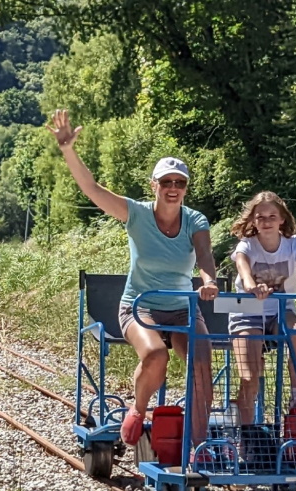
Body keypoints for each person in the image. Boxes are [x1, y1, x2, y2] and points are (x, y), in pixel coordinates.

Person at [48, 109, 218, 454]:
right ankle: (137, 410)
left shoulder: (194, 219)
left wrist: (209, 280)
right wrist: (68, 149)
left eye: (180, 183)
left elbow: (204, 255)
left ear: (185, 188)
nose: (173, 188)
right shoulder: (136, 214)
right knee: (156, 355)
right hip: (139, 307)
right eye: (166, 182)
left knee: (201, 362)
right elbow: (92, 190)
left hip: (183, 308)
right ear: (154, 185)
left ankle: (198, 443)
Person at [228, 191, 296, 430]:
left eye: (272, 216)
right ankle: (245, 435)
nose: (266, 221)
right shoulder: (246, 245)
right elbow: (243, 269)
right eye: (260, 217)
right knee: (250, 377)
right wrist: (252, 287)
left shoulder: (294, 244)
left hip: (280, 308)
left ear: (282, 219)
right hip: (247, 308)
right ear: (252, 221)